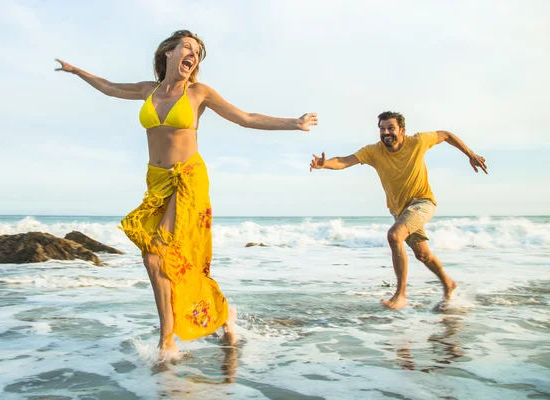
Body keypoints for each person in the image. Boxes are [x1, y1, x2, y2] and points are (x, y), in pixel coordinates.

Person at [55, 30, 318, 359]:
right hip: (157, 182)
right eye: (187, 48)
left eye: (197, 53)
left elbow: (246, 118)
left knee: (157, 252)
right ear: (169, 52)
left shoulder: (198, 92)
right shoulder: (146, 90)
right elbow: (109, 88)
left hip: (189, 179)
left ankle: (167, 341)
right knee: (161, 259)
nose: (193, 56)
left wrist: (294, 122)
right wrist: (77, 71)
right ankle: (219, 315)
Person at [310, 111, 486, 310]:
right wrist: (324, 164)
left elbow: (445, 135)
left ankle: (401, 294)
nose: (386, 132)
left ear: (402, 131)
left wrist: (470, 154)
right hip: (400, 211)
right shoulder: (373, 151)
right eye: (382, 129)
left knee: (394, 236)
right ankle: (449, 284)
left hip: (423, 203)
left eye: (391, 128)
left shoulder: (418, 141)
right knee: (422, 255)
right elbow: (344, 161)